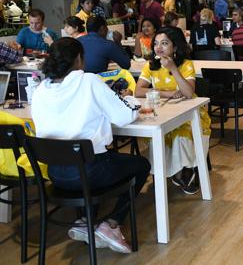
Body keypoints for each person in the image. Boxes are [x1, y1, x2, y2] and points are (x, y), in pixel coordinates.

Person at [32, 37, 150, 254]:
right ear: (79, 59)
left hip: (56, 174)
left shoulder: (40, 89)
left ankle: (86, 221)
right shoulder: (88, 81)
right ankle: (112, 224)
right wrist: (132, 102)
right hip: (90, 171)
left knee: (94, 166)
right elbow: (124, 116)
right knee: (140, 165)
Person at [135, 27, 211, 194]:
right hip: (161, 112)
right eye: (156, 43)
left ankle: (180, 172)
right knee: (158, 132)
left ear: (175, 47)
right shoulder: (151, 65)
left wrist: (173, 69)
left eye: (164, 43)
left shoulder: (185, 64)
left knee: (179, 134)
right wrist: (166, 93)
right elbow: (138, 91)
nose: (158, 47)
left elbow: (189, 93)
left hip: (190, 114)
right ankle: (180, 173)